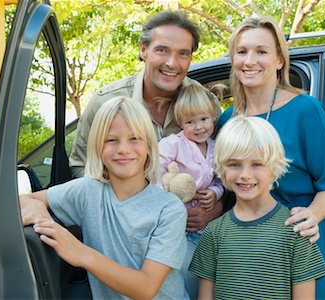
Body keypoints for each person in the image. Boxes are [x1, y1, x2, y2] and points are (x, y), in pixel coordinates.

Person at [218, 16, 325, 299]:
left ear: (279, 61)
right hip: (246, 243)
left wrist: (314, 214)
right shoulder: (227, 120)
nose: (250, 61)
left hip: (298, 238)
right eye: (242, 51)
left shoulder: (306, 110)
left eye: (261, 51)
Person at [20, 96, 189, 299]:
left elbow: (146, 287)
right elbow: (26, 200)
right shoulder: (87, 191)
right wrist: (41, 215)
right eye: (111, 140)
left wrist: (80, 253)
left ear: (149, 147)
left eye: (134, 138)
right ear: (98, 147)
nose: (123, 149)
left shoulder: (170, 209)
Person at [69, 10, 223, 233]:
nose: (172, 63)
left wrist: (214, 208)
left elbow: (227, 167)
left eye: (183, 54)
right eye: (162, 50)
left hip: (189, 238)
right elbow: (81, 168)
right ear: (143, 50)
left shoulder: (206, 105)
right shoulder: (107, 101)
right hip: (123, 230)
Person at [189, 115, 325, 299]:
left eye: (257, 164)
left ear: (273, 166)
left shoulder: (296, 231)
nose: (245, 174)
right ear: (222, 167)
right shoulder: (214, 233)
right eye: (234, 164)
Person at [158, 84, 224, 299]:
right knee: (186, 276)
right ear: (180, 123)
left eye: (203, 119)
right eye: (190, 122)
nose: (198, 127)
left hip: (207, 229)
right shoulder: (174, 144)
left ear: (213, 117)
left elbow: (220, 180)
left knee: (205, 281)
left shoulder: (216, 147)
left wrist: (215, 192)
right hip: (180, 228)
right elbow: (154, 174)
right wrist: (172, 199)